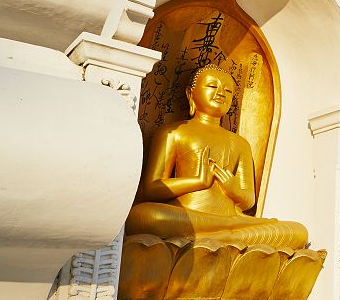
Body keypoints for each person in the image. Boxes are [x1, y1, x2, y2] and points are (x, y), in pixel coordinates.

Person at [126, 64, 308, 249]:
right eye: (212, 86)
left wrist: (233, 189)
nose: (221, 93)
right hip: (187, 215)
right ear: (190, 94)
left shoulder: (240, 143)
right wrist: (198, 182)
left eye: (228, 91)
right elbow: (152, 188)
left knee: (298, 231)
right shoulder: (174, 132)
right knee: (143, 216)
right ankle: (229, 236)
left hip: (230, 218)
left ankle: (218, 236)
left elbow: (248, 201)